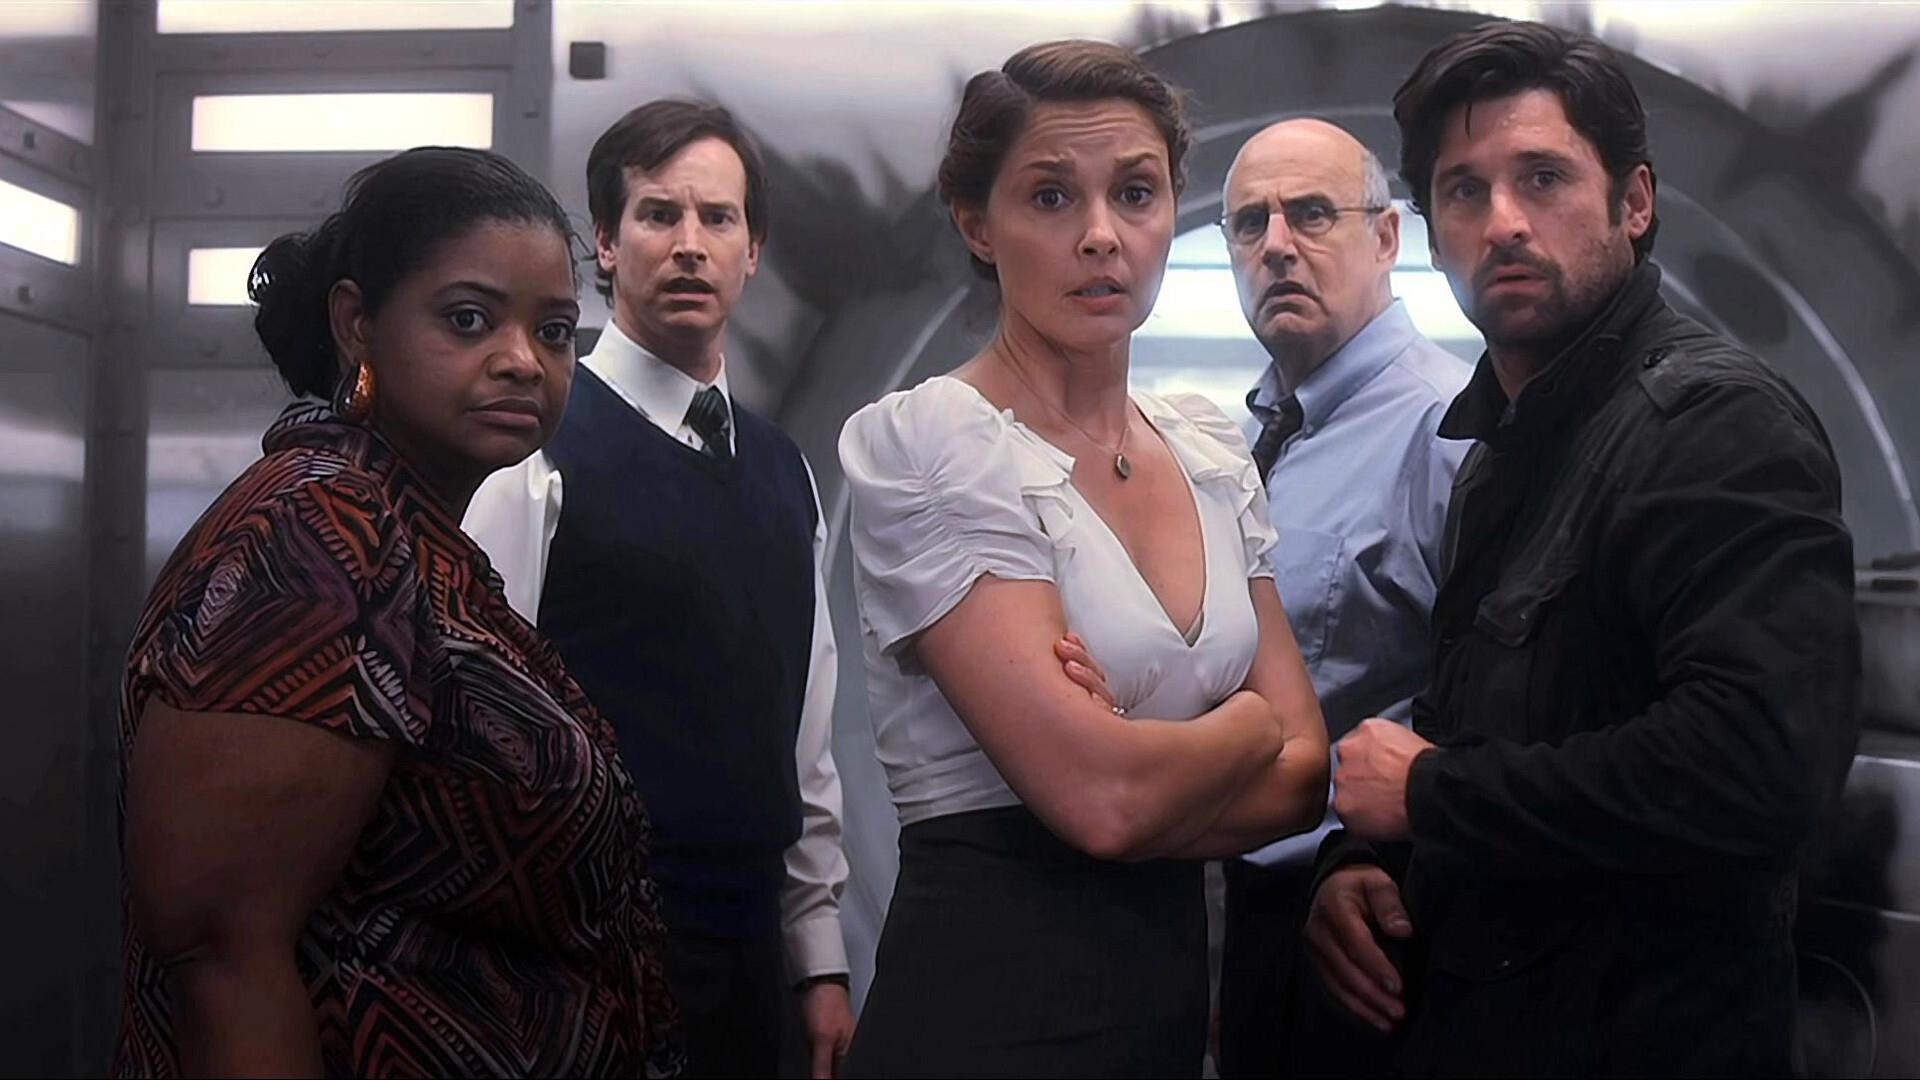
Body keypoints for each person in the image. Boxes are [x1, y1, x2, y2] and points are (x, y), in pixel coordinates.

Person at [1303, 21, 1860, 1075]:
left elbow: (1760, 765)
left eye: (1544, 178)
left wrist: (1431, 798)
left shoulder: (1714, 424)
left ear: (1633, 203)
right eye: (1464, 192)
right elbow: (1478, 719)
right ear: (1431, 237)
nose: (1504, 222)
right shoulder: (1499, 447)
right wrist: (1365, 860)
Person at [117, 147, 679, 1078]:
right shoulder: (319, 528)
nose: (523, 362)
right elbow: (221, 950)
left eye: (554, 331)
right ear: (357, 324)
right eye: (468, 319)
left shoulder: (411, 535)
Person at [837, 40, 1328, 1078]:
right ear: (977, 223)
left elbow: (1304, 780)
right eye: (1052, 197)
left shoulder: (1207, 451)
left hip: (1161, 1022)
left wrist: (1141, 763)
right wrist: (1248, 724)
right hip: (981, 1022)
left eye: (1135, 193)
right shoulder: (935, 440)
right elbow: (1103, 803)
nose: (1101, 235)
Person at [463, 99, 854, 1079]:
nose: (689, 244)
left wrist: (819, 959)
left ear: (752, 251)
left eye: (717, 218)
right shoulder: (535, 454)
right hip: (578, 960)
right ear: (604, 240)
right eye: (657, 214)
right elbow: (471, 731)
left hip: (752, 962)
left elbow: (803, 742)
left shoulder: (786, 470)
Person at [1213, 118, 1469, 1079]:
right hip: (1251, 916)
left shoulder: (1451, 433)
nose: (1276, 245)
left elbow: (1501, 712)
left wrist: (1379, 861)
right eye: (1249, 223)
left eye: (1312, 213)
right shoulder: (1247, 436)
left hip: (1380, 920)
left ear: (1389, 236)